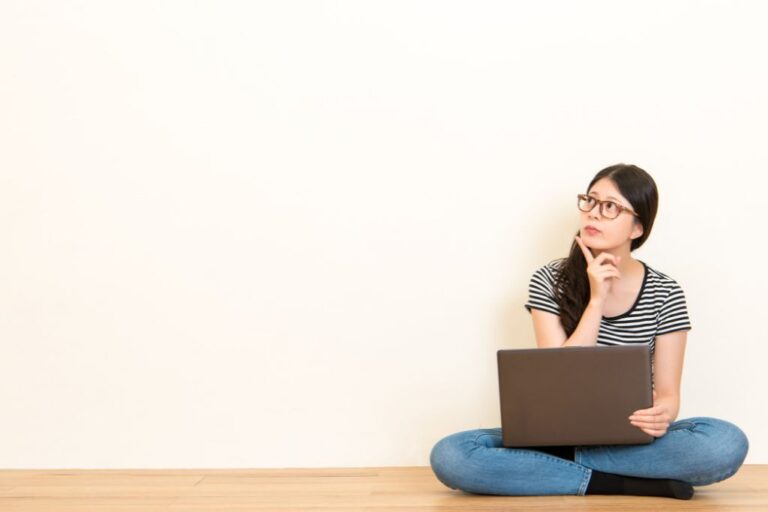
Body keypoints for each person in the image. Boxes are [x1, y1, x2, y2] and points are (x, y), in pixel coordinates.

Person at [429, 163, 749, 500]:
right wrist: (596, 301)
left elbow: (668, 395)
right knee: (453, 455)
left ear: (637, 227)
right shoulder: (549, 280)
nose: (593, 214)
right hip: (556, 436)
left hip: (631, 436)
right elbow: (556, 380)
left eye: (610, 207)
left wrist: (662, 415)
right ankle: (624, 483)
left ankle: (557, 469)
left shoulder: (665, 293)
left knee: (725, 441)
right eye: (590, 201)